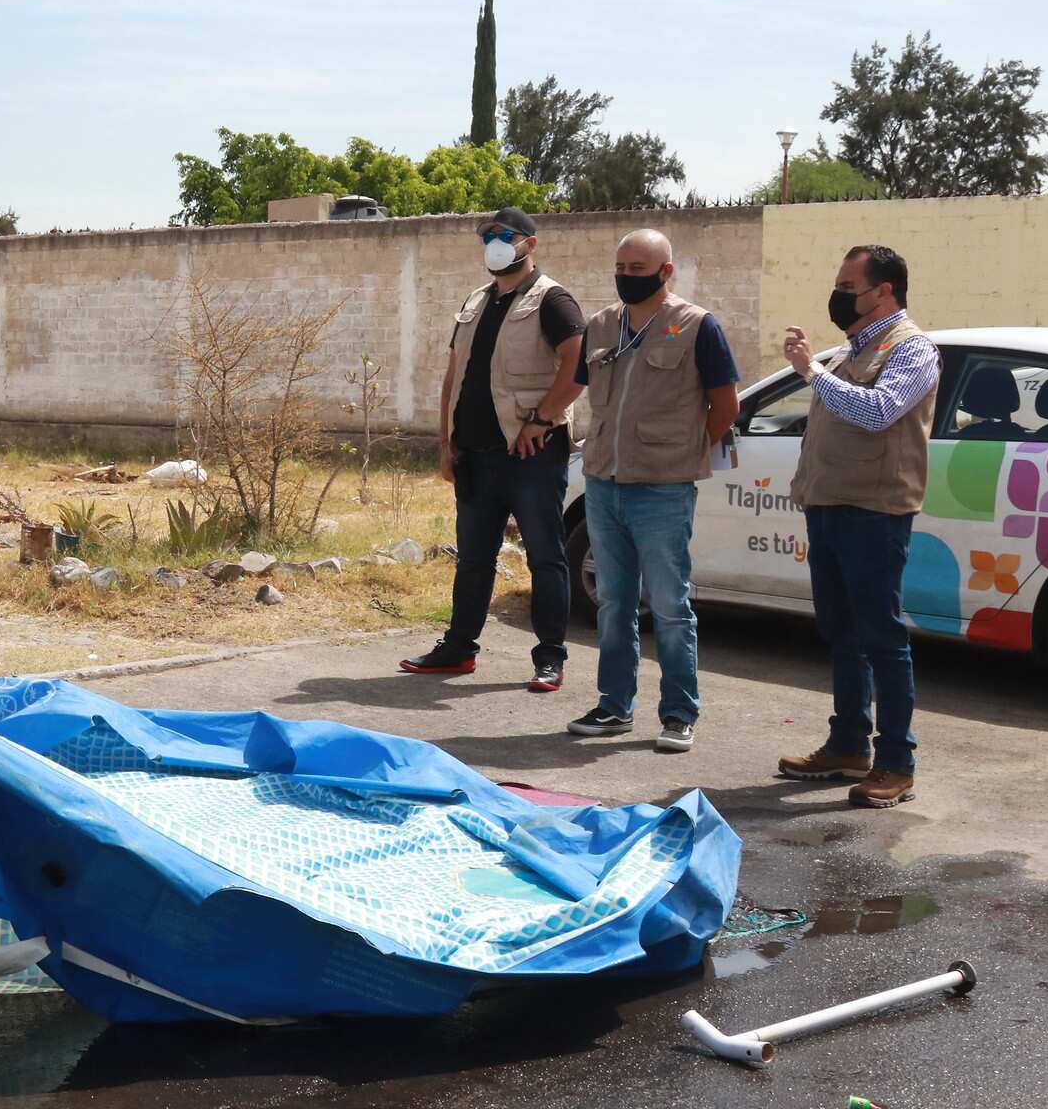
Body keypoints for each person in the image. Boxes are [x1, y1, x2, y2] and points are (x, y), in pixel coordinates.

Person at [568, 230, 741, 752]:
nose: (626, 275)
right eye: (620, 265)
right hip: (603, 482)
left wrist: (683, 452)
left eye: (638, 268)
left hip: (663, 488)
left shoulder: (695, 326)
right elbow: (582, 389)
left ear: (666, 272)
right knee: (614, 603)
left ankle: (678, 714)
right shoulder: (600, 326)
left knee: (669, 604)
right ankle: (615, 706)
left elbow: (725, 406)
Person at [779, 246, 939, 808]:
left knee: (882, 638)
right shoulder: (855, 348)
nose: (839, 293)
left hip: (875, 511)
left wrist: (810, 371)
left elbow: (877, 411)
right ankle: (849, 743)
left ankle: (897, 762)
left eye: (849, 284)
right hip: (829, 505)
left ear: (884, 291)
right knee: (841, 632)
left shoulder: (912, 348)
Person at [401, 207, 586, 691]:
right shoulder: (476, 301)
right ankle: (459, 648)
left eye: (505, 235)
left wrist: (543, 419)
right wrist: (446, 443)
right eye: (488, 236)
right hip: (476, 455)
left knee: (545, 556)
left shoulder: (553, 300)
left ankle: (550, 657)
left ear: (531, 243)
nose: (495, 243)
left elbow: (577, 363)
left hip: (531, 455)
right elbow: (452, 378)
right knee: (474, 558)